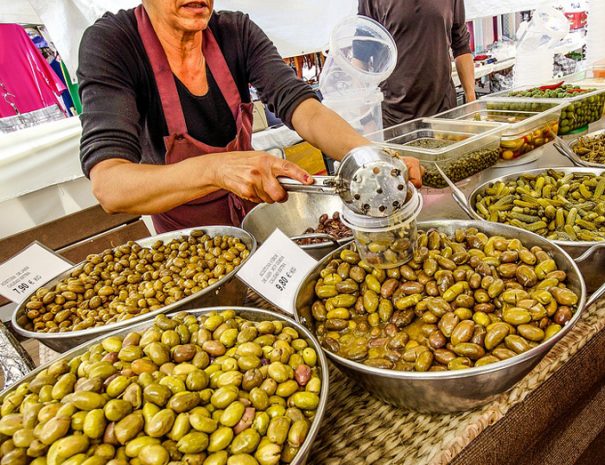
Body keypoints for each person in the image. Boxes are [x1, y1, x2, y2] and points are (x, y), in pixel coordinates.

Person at [78, 0, 422, 233]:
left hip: (254, 219)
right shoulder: (113, 44)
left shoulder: (235, 31)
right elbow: (110, 186)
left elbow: (303, 107)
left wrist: (371, 159)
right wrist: (217, 169)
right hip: (190, 239)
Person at [358, 0, 476, 126]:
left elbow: (461, 45)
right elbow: (360, 56)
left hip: (443, 113)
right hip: (394, 119)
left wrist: (472, 100)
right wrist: (366, 120)